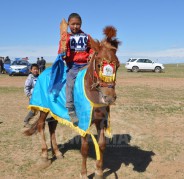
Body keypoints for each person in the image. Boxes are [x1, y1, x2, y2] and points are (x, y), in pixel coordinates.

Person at [57, 13, 94, 123]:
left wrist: (92, 53)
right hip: (73, 66)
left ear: (81, 24)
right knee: (70, 84)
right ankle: (70, 108)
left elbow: (92, 48)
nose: (75, 26)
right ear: (68, 25)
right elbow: (60, 51)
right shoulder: (65, 38)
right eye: (73, 24)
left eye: (78, 24)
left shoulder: (86, 36)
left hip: (86, 65)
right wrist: (63, 53)